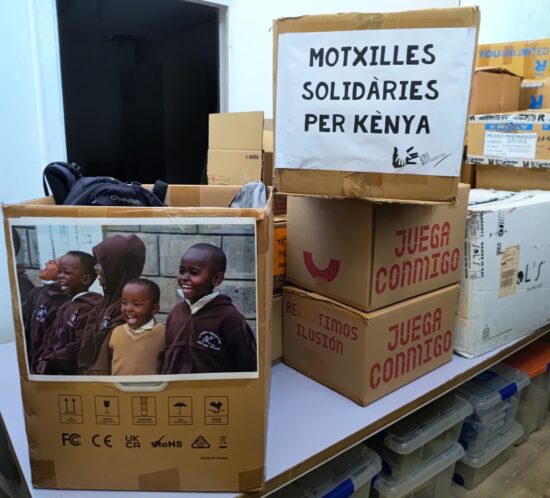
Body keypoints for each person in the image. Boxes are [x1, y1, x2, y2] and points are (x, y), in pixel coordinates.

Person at [163, 243, 257, 374]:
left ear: (217, 279)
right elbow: (167, 358)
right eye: (182, 271)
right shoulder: (175, 312)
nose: (184, 277)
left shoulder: (229, 317)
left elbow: (247, 365)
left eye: (194, 273)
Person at [79, 234, 146, 374]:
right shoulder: (104, 303)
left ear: (116, 268)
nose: (96, 268)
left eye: (102, 263)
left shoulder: (128, 310)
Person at [35, 251, 102, 375]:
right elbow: (51, 338)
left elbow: (79, 346)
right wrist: (44, 358)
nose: (60, 276)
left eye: (66, 272)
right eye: (59, 272)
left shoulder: (88, 308)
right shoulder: (65, 306)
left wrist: (52, 359)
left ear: (85, 279)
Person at [108, 278, 165, 375]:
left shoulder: (163, 333)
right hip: (118, 385)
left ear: (154, 309)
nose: (128, 309)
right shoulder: (116, 332)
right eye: (124, 303)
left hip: (150, 385)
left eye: (136, 304)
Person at [22, 258, 69, 372]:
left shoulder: (64, 302)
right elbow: (22, 322)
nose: (48, 261)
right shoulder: (37, 292)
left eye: (54, 262)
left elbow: (52, 339)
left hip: (43, 364)